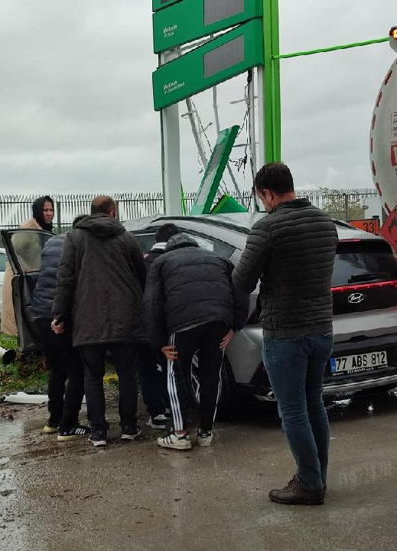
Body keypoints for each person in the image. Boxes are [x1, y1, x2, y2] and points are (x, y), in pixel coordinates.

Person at [232, 163, 338, 505]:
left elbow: (241, 282)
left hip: (285, 332)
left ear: (267, 193)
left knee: (292, 410)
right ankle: (316, 476)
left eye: (261, 198)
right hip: (322, 328)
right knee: (314, 403)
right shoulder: (325, 222)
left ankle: (309, 484)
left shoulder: (267, 228)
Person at [52, 196, 147, 448]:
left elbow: (65, 279)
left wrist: (59, 314)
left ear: (91, 212)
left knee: (92, 375)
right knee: (127, 373)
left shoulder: (74, 238)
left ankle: (98, 432)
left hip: (88, 317)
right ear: (112, 212)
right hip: (126, 318)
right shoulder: (127, 238)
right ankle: (129, 426)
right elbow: (142, 276)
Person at [144, 232, 247, 450]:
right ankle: (205, 432)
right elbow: (240, 289)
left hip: (182, 324)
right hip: (218, 322)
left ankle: (180, 434)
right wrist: (234, 327)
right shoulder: (219, 259)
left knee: (175, 374)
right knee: (211, 375)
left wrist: (159, 342)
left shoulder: (161, 263)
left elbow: (152, 303)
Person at [31, 215, 88, 440]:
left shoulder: (52, 242)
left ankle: (54, 420)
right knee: (77, 369)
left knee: (58, 368)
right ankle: (69, 425)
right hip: (58, 314)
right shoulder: (79, 245)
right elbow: (68, 284)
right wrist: (63, 316)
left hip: (39, 312)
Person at [139, 223, 181, 430]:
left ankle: (156, 412)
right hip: (172, 324)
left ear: (156, 240)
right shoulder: (176, 261)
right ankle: (174, 409)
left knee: (146, 367)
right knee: (171, 367)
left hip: (144, 324)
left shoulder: (143, 262)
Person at [1, 196, 54, 336]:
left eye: (51, 209)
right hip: (22, 278)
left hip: (35, 278)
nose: (49, 213)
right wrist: (25, 269)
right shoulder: (28, 229)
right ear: (37, 211)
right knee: (23, 320)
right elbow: (13, 252)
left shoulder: (44, 230)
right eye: (45, 210)